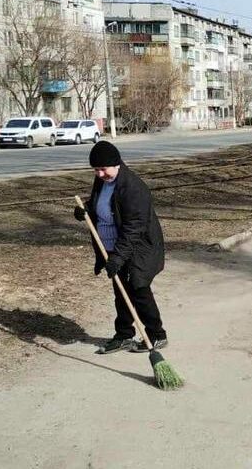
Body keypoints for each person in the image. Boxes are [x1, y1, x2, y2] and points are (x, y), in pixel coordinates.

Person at [73, 141, 168, 355]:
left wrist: (117, 257)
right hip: (114, 246)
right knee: (121, 291)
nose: (98, 174)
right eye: (95, 170)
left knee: (138, 288)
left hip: (138, 247)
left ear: (115, 164)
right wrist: (85, 210)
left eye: (102, 169)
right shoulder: (103, 182)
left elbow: (134, 228)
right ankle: (124, 335)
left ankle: (157, 335)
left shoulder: (134, 187)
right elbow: (102, 205)